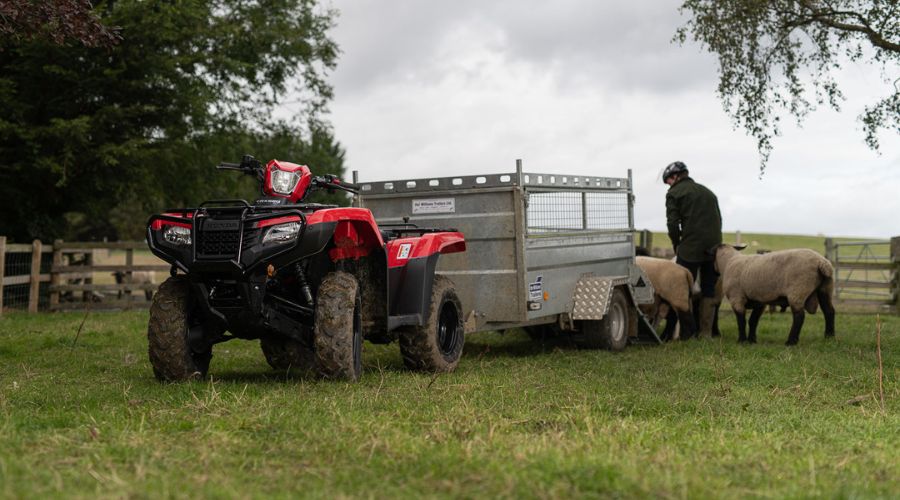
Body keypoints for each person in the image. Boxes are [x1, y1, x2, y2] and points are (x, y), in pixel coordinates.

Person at [662, 161, 722, 339]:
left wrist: (676, 243)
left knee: (682, 288)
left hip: (690, 248)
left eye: (668, 181)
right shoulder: (708, 192)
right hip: (713, 247)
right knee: (709, 289)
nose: (668, 185)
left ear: (675, 177)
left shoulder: (674, 193)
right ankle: (705, 333)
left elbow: (673, 224)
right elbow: (718, 219)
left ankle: (686, 333)